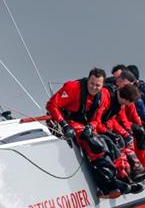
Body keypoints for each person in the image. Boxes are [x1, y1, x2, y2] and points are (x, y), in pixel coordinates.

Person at [47, 68, 131, 198]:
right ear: (88, 80)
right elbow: (52, 105)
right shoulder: (73, 87)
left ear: (102, 85)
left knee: (103, 143)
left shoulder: (102, 96)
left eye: (98, 85)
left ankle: (115, 178)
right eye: (92, 83)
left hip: (83, 125)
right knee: (94, 144)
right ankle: (107, 185)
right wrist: (63, 124)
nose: (94, 87)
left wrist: (91, 127)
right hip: (65, 121)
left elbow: (97, 119)